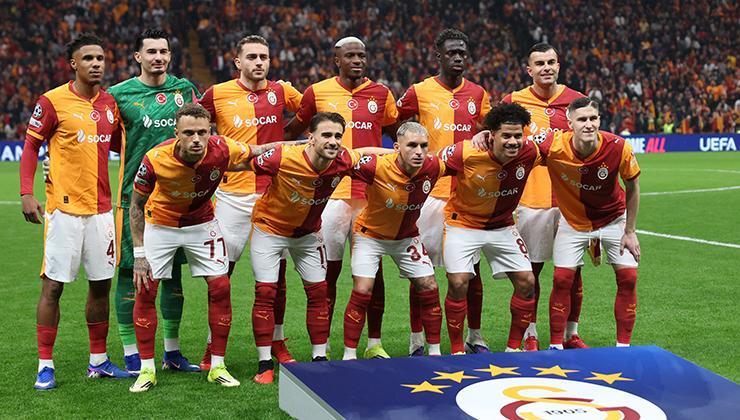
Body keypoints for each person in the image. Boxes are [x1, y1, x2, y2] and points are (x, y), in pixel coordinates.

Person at [127, 103, 273, 392]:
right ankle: (147, 369)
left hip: (202, 224)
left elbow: (260, 151)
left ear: (210, 132)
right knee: (145, 289)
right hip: (161, 225)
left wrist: (306, 145)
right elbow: (135, 206)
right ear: (176, 133)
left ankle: (217, 365)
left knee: (221, 287)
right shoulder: (155, 158)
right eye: (189, 133)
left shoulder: (223, 148)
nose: (196, 139)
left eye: (202, 132)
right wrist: (140, 254)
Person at [20, 33, 130, 390]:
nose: (96, 64)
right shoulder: (52, 101)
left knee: (100, 286)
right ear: (73, 64)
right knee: (53, 287)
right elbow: (31, 147)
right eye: (88, 59)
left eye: (100, 58)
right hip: (64, 212)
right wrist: (26, 193)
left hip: (101, 212)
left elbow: (123, 144)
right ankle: (45, 365)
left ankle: (98, 361)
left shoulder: (111, 104)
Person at [251, 112, 390, 384]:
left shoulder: (343, 159)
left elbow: (366, 153)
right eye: (326, 135)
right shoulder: (282, 157)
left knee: (319, 293)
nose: (333, 141)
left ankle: (319, 359)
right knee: (266, 292)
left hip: (308, 234)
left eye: (338, 136)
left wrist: (400, 152)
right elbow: (241, 162)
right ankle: (264, 363)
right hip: (270, 230)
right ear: (310, 138)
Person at [284, 36, 398, 359]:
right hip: (330, 197)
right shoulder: (317, 92)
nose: (357, 60)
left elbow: (397, 134)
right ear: (337, 60)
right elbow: (293, 131)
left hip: (370, 196)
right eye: (350, 56)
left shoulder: (382, 94)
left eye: (362, 55)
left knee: (373, 273)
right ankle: (323, 344)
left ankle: (374, 343)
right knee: (327, 273)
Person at [199, 34, 302, 368]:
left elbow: (312, 114)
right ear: (238, 62)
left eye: (264, 57)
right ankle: (213, 346)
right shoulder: (217, 94)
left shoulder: (282, 92)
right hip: (232, 196)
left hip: (275, 196)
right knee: (220, 275)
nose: (259, 62)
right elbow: (193, 126)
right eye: (252, 57)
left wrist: (288, 138)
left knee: (277, 277)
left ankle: (277, 342)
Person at [108, 28, 201, 374]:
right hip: (134, 198)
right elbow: (105, 141)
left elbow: (203, 130)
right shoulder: (119, 95)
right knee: (130, 273)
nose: (158, 57)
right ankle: (132, 352)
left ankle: (172, 352)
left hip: (176, 200)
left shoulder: (185, 90)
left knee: (172, 275)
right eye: (151, 52)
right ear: (138, 57)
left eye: (163, 51)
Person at [396, 28, 492, 355]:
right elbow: (395, 126)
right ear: (439, 56)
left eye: (462, 52)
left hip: (467, 195)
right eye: (451, 52)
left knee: (471, 272)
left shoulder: (478, 94)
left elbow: (490, 130)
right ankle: (416, 339)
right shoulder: (419, 91)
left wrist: (483, 136)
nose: (458, 58)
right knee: (420, 271)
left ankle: (475, 336)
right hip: (428, 195)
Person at [501, 42, 587, 351]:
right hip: (531, 201)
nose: (546, 68)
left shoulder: (577, 101)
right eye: (540, 63)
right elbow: (499, 144)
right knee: (531, 272)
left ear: (558, 65)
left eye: (551, 62)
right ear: (529, 70)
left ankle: (571, 333)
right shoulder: (513, 102)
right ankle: (530, 333)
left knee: (572, 272)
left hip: (571, 201)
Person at [538, 97, 641, 350]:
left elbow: (633, 186)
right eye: (582, 119)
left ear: (600, 120)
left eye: (593, 118)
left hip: (613, 219)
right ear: (569, 123)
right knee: (562, 279)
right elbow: (517, 146)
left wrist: (630, 231)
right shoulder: (552, 145)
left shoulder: (619, 147)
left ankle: (623, 348)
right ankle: (556, 346)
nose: (588, 124)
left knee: (628, 277)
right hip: (573, 222)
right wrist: (485, 134)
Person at [441, 103, 538, 354]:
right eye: (506, 135)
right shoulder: (465, 152)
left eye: (517, 135)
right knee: (459, 282)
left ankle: (513, 349)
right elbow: (428, 166)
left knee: (527, 282)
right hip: (463, 224)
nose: (513, 142)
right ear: (492, 135)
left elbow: (567, 143)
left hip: (502, 226)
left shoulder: (532, 151)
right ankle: (457, 350)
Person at [342, 122, 444, 360]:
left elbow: (466, 157)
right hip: (370, 236)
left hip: (406, 238)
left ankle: (436, 353)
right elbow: (342, 159)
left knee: (429, 287)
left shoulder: (434, 166)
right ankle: (349, 356)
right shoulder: (375, 166)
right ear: (397, 147)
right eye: (412, 145)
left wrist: (484, 135)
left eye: (423, 146)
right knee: (362, 289)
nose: (419, 152)